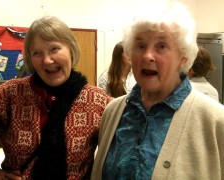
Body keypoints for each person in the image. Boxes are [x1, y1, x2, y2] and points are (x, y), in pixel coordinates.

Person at [0, 16, 112, 180]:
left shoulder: (97, 101)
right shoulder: (10, 94)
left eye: (54, 49)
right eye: (37, 53)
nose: (47, 60)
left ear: (71, 49)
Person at [91, 2, 224, 180]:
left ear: (183, 57)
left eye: (161, 46)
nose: (147, 55)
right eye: (140, 46)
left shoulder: (215, 120)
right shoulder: (113, 112)